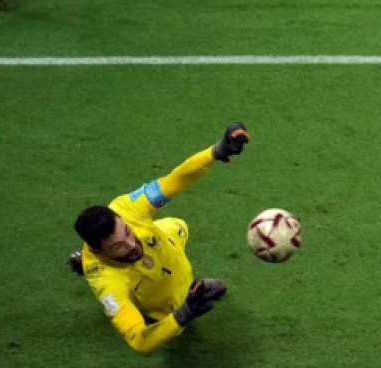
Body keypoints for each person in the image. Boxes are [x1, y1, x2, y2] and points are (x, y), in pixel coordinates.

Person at [67, 123, 250, 356]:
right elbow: (139, 342)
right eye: (118, 246)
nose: (132, 245)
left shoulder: (125, 208)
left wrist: (216, 151)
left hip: (168, 241)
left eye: (127, 232)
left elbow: (175, 180)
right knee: (177, 324)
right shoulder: (107, 283)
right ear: (99, 251)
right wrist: (185, 313)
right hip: (162, 300)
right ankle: (86, 263)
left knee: (179, 225)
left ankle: (87, 258)